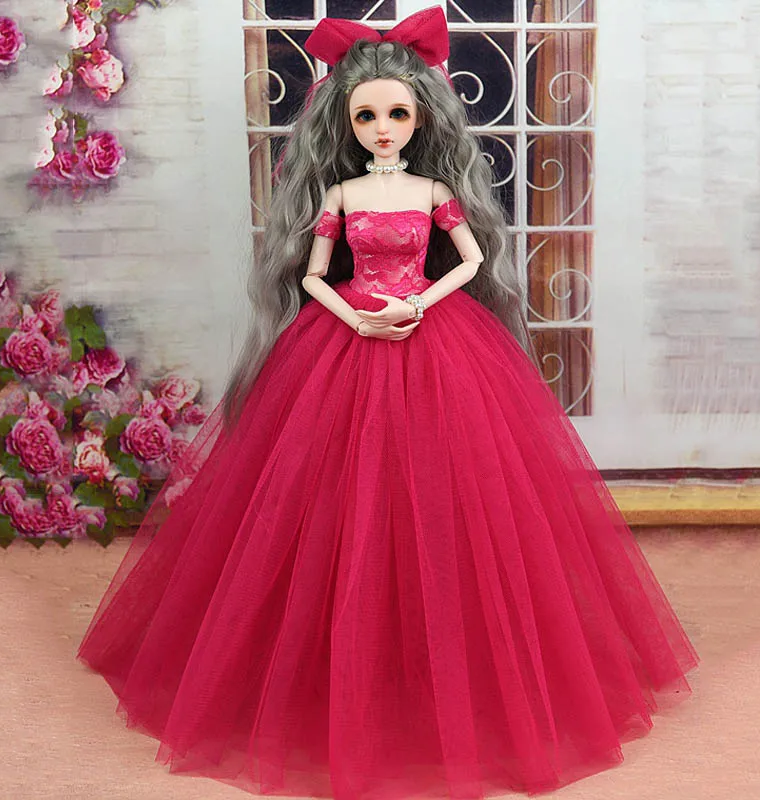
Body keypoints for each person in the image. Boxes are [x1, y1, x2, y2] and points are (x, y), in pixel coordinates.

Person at [76, 7, 699, 799]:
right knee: (329, 500)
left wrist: (419, 303)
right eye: (365, 115)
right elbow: (310, 275)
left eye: (395, 114)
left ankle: (460, 673)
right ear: (344, 121)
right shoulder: (338, 193)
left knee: (453, 495)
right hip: (346, 338)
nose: (380, 128)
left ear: (421, 118)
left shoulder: (435, 190)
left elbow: (470, 260)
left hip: (434, 336)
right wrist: (354, 314)